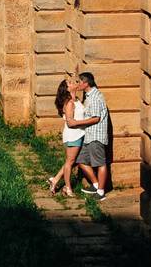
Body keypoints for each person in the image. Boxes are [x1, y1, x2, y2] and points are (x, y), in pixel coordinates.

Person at [66, 72, 110, 200]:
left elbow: (96, 118)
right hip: (89, 135)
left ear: (86, 83)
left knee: (100, 163)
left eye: (79, 82)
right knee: (80, 160)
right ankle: (96, 184)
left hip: (96, 136)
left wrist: (77, 123)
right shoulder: (88, 95)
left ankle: (101, 192)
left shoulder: (95, 97)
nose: (77, 84)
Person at [47, 78, 84, 197]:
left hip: (79, 133)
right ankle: (68, 188)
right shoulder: (69, 103)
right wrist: (88, 122)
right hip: (73, 135)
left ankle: (55, 180)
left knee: (71, 161)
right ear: (67, 89)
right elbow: (70, 122)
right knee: (70, 162)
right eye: (71, 83)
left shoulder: (76, 100)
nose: (74, 83)